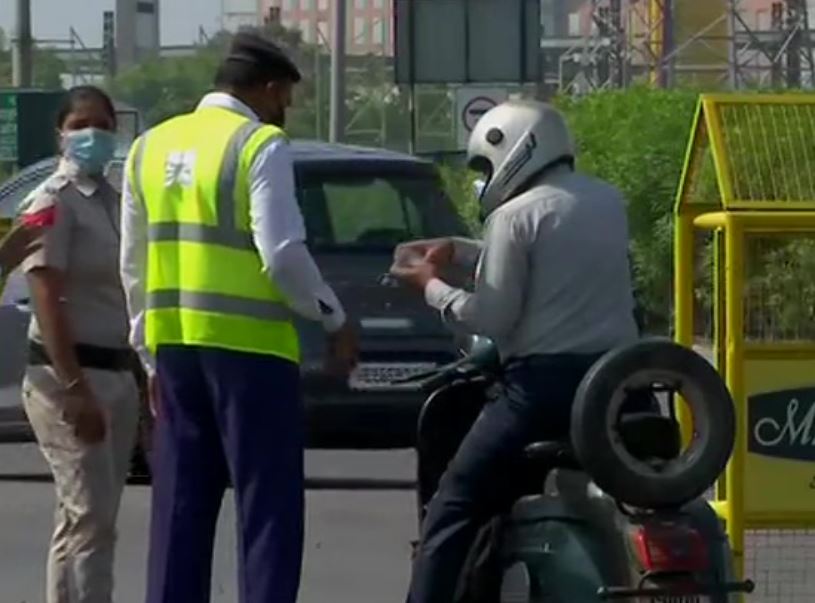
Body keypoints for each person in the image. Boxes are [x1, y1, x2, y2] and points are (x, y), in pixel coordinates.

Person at [119, 31, 358, 603]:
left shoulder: (148, 147)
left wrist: (148, 356)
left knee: (179, 504)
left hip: (175, 351)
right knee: (267, 506)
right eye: (287, 98)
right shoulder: (259, 145)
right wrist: (332, 316)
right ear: (269, 88)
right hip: (252, 355)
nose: (287, 112)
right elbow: (280, 253)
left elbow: (131, 263)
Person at [391, 99, 640, 603]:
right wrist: (460, 249)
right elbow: (553, 261)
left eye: (484, 166)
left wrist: (431, 286)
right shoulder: (606, 200)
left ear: (516, 149)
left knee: (453, 507)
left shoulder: (512, 216)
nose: (484, 181)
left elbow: (491, 317)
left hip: (540, 394)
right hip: (619, 387)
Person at [19, 85, 139, 603]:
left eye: (106, 125)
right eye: (82, 125)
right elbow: (46, 295)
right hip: (66, 377)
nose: (95, 135)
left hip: (116, 373)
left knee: (90, 518)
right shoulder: (50, 201)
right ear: (61, 134)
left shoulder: (116, 202)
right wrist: (74, 388)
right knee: (88, 516)